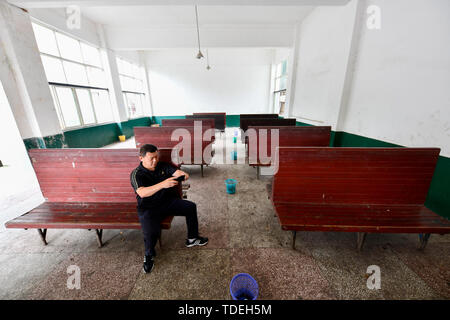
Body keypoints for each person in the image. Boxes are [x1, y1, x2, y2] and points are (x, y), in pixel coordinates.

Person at [130, 144, 208, 274]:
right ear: (141, 158)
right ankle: (148, 256)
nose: (155, 161)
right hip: (148, 208)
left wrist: (181, 175)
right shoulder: (136, 174)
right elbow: (142, 192)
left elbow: (179, 173)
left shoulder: (161, 165)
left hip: (166, 202)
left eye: (156, 157)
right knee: (151, 232)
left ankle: (192, 238)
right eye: (151, 158)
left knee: (190, 207)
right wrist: (163, 184)